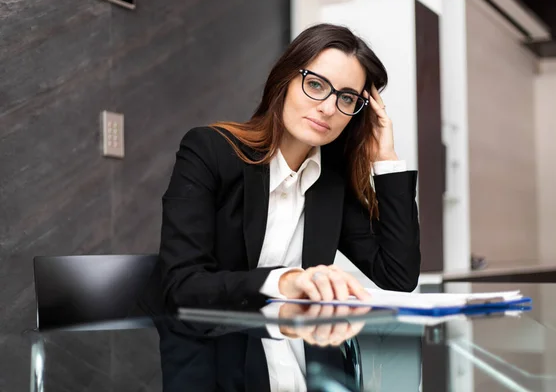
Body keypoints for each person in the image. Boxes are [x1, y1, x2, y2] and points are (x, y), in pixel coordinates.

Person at [158, 23, 421, 311]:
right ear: (285, 80)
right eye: (316, 84)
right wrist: (282, 282)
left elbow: (398, 277)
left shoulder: (331, 182)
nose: (329, 108)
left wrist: (386, 158)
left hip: (299, 347)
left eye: (347, 98)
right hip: (221, 349)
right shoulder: (209, 151)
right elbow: (181, 286)